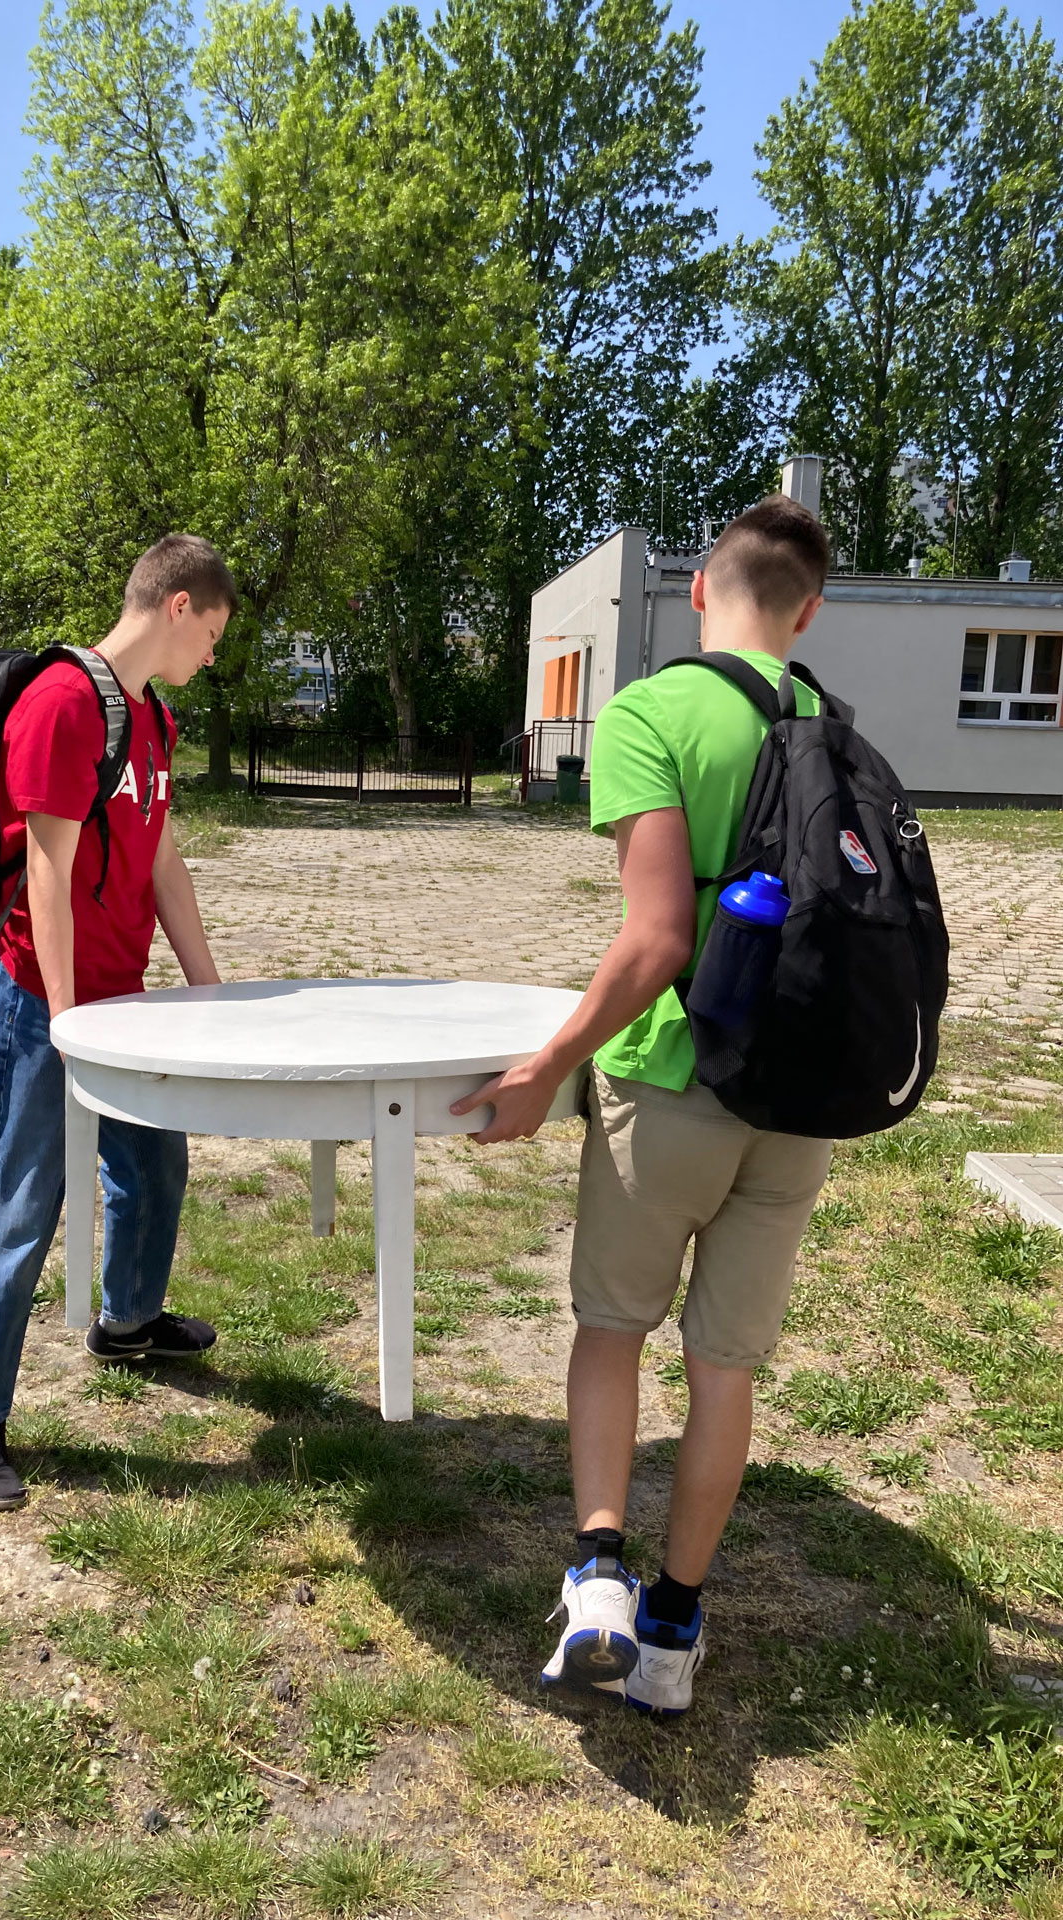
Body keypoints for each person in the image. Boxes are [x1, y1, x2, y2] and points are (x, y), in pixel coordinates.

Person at [452, 495, 836, 1714]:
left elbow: (660, 937)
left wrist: (548, 1064)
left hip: (674, 1080)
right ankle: (673, 1636)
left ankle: (599, 1579)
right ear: (808, 612)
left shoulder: (651, 713)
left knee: (613, 1327)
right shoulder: (833, 727)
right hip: (801, 1094)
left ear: (701, 591)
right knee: (725, 1369)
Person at [0, 533, 237, 1510]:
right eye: (213, 636)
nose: (212, 658)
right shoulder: (63, 702)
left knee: (153, 1166)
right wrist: (70, 1023)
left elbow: (161, 862)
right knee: (22, 1202)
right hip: (44, 1000)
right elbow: (47, 869)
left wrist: (208, 989)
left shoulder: (150, 717)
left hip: (122, 1000)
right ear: (179, 606)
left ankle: (128, 1322)